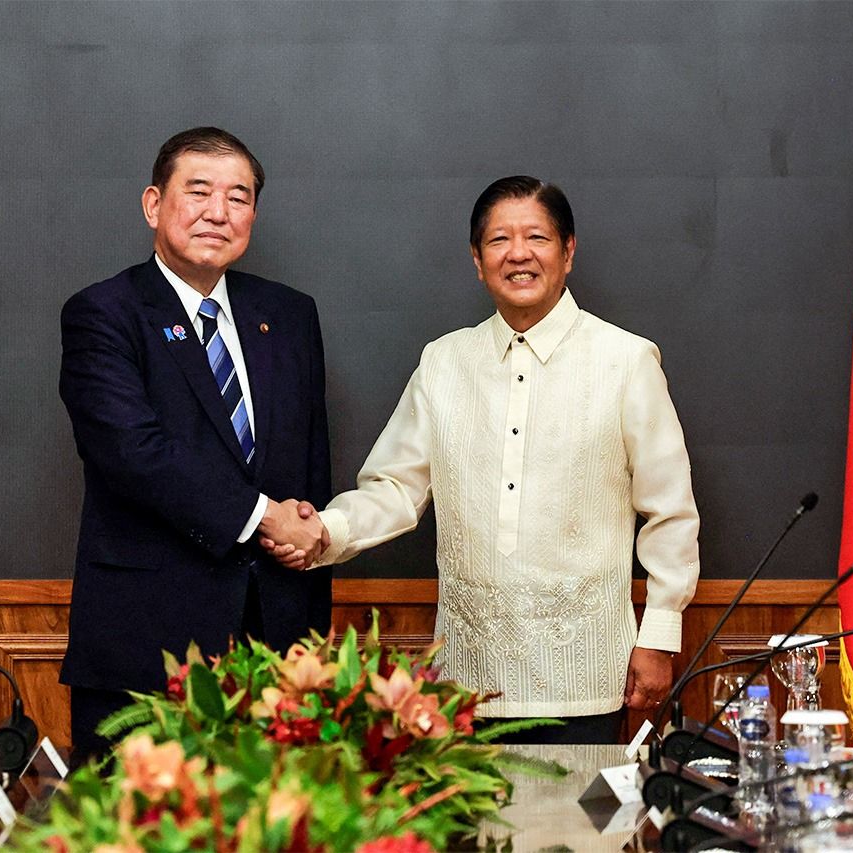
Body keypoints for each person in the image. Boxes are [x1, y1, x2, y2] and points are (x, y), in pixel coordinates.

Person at [266, 176, 699, 743]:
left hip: (588, 678)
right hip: (465, 683)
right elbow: (395, 488)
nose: (518, 254)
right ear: (477, 260)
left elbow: (671, 511)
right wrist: (325, 530)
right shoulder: (444, 361)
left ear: (568, 251)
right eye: (499, 240)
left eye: (537, 237)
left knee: (578, 807)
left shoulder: (626, 360)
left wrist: (659, 635)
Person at [59, 127, 332, 764]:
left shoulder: (289, 314)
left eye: (238, 197)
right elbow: (133, 453)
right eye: (199, 191)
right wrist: (264, 516)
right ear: (154, 204)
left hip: (278, 645)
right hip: (148, 644)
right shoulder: (104, 313)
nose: (218, 212)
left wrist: (308, 544)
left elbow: (310, 460)